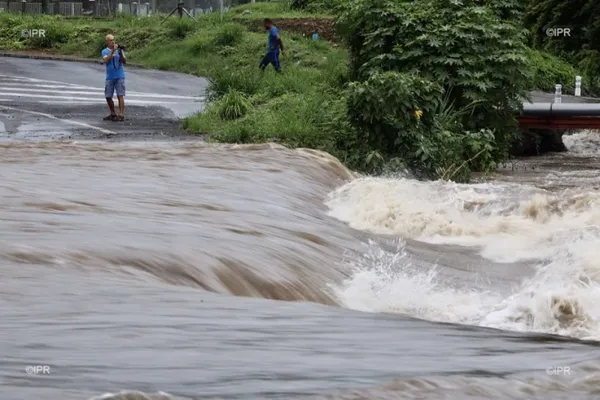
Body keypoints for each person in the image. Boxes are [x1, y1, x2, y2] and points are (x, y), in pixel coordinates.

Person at [101, 34, 127, 121]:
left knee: (120, 95)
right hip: (110, 76)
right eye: (111, 40)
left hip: (120, 75)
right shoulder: (104, 51)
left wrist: (120, 53)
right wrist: (112, 51)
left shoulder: (119, 50)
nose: (113, 42)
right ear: (107, 41)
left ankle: (121, 114)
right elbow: (106, 60)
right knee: (108, 96)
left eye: (113, 40)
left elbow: (124, 61)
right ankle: (112, 113)